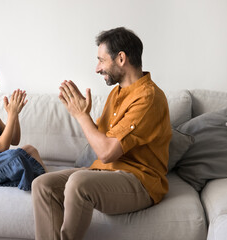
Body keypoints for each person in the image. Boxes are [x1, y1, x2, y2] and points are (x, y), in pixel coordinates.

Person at [32, 27, 172, 240]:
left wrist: (81, 116)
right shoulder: (116, 94)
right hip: (105, 172)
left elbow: (106, 152)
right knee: (42, 185)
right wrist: (84, 113)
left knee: (79, 183)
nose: (97, 68)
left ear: (121, 58)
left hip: (140, 181)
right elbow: (102, 142)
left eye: (101, 60)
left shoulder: (148, 98)